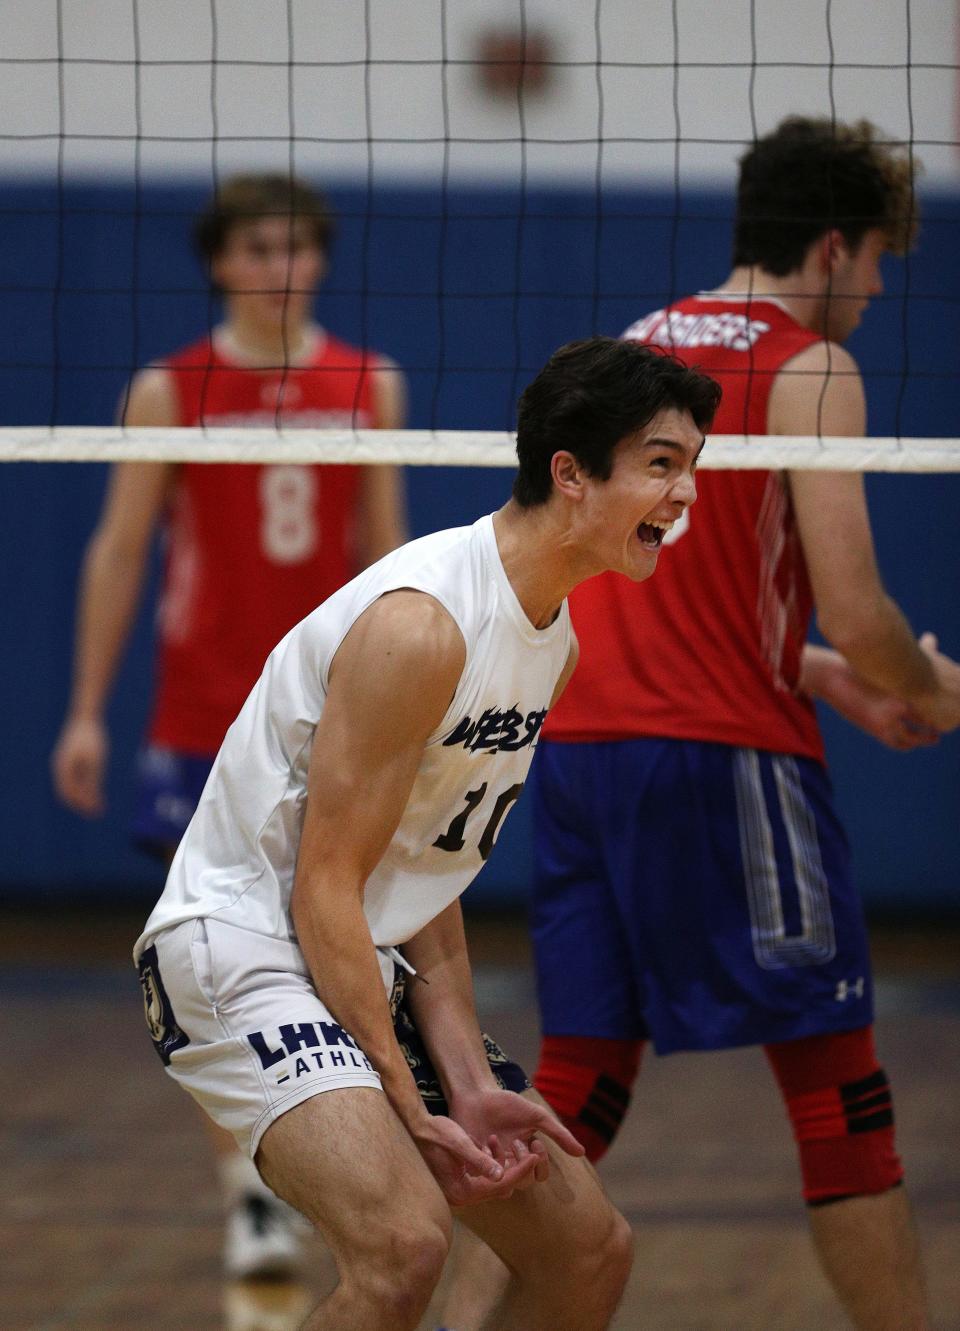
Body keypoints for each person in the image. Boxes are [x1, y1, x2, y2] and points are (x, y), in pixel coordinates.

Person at [441, 116, 960, 1331]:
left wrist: (826, 671)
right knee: (840, 1089)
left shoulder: (638, 350)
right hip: (728, 759)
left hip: (575, 753)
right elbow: (856, 596)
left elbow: (687, 583)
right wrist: (931, 687)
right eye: (878, 258)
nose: (879, 289)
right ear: (831, 245)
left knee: (572, 1083)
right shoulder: (810, 363)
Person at [131, 336, 721, 1331]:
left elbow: (425, 873)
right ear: (570, 473)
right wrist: (414, 1105)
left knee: (588, 1251)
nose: (686, 494)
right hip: (238, 942)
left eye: (691, 467)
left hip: (352, 947)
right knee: (403, 1246)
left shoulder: (554, 639)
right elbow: (325, 885)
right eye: (663, 464)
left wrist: (466, 1079)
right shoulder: (423, 626)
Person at [51, 172, 408, 1281]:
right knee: (213, 965)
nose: (278, 268)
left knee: (329, 950)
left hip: (323, 720)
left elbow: (387, 554)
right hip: (201, 713)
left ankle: (341, 1169)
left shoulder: (368, 380)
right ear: (220, 262)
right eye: (256, 248)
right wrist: (83, 713)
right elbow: (119, 548)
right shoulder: (171, 388)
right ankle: (250, 1194)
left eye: (296, 247)